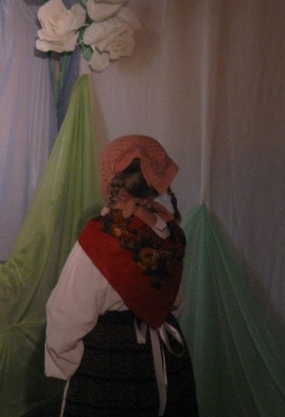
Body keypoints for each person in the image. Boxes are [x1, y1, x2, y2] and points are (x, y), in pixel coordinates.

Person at [45, 135, 199, 417]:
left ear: (111, 179)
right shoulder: (172, 233)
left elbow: (66, 315)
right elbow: (175, 301)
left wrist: (67, 365)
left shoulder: (102, 237)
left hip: (110, 367)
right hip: (166, 362)